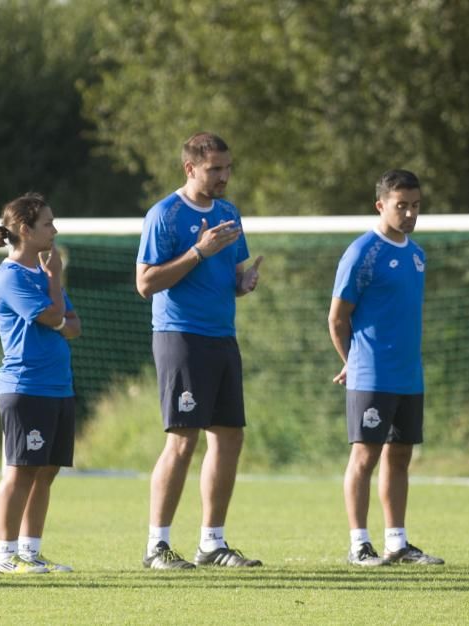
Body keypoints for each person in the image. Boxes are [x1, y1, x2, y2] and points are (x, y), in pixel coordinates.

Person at [136, 133, 264, 569]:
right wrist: (197, 251)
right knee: (182, 440)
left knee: (229, 437)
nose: (224, 176)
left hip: (222, 336)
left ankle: (212, 542)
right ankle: (157, 546)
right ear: (190, 168)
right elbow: (145, 283)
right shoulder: (165, 215)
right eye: (215, 169)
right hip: (180, 336)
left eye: (228, 168)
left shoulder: (229, 213)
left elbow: (230, 273)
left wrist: (242, 283)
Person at [328, 169, 444, 567]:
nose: (409, 214)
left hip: (409, 375)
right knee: (365, 457)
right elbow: (337, 319)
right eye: (401, 206)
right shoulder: (363, 253)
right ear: (381, 205)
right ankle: (359, 544)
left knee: (400, 457)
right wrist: (353, 363)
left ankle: (397, 542)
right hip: (372, 374)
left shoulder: (417, 254)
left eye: (415, 206)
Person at [0, 193, 82, 575]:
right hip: (25, 386)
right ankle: (4, 554)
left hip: (58, 386)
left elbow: (73, 327)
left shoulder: (40, 276)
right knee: (20, 470)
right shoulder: (10, 276)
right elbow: (55, 316)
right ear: (24, 230)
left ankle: (30, 551)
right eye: (47, 223)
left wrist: (57, 308)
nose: (54, 230)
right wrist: (55, 280)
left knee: (46, 471)